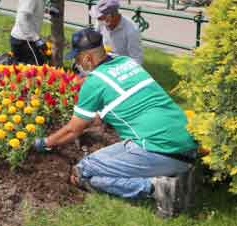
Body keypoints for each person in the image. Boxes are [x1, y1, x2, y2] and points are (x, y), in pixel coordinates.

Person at [33, 28, 198, 217]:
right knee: (116, 151)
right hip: (187, 145)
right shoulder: (127, 63)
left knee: (83, 172)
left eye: (77, 59)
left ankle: (155, 187)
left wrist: (45, 143)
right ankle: (176, 176)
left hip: (162, 151)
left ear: (87, 58)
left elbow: (72, 130)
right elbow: (124, 104)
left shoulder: (94, 83)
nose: (76, 63)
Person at [10, 0, 63, 64]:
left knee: (36, 67)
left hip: (28, 38)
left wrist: (48, 10)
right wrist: (37, 39)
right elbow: (22, 19)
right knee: (37, 68)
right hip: (23, 39)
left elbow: (34, 8)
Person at [91, 0, 143, 64]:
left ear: (110, 16)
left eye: (101, 18)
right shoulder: (101, 22)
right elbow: (94, 42)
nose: (98, 20)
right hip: (104, 60)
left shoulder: (131, 30)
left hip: (122, 65)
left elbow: (137, 59)